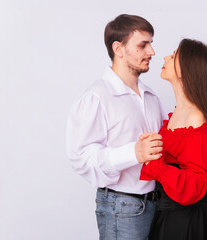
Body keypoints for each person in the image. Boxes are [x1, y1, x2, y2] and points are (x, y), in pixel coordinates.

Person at [66, 14, 165, 239]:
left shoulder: (151, 97)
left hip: (157, 205)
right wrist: (133, 153)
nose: (152, 52)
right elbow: (80, 157)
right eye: (143, 45)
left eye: (151, 44)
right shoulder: (96, 96)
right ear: (118, 49)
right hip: (121, 208)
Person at [139, 39, 207, 240]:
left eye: (173, 56)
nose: (165, 57)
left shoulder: (195, 118)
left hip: (185, 223)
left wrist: (156, 163)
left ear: (186, 69)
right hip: (168, 216)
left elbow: (197, 181)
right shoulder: (176, 115)